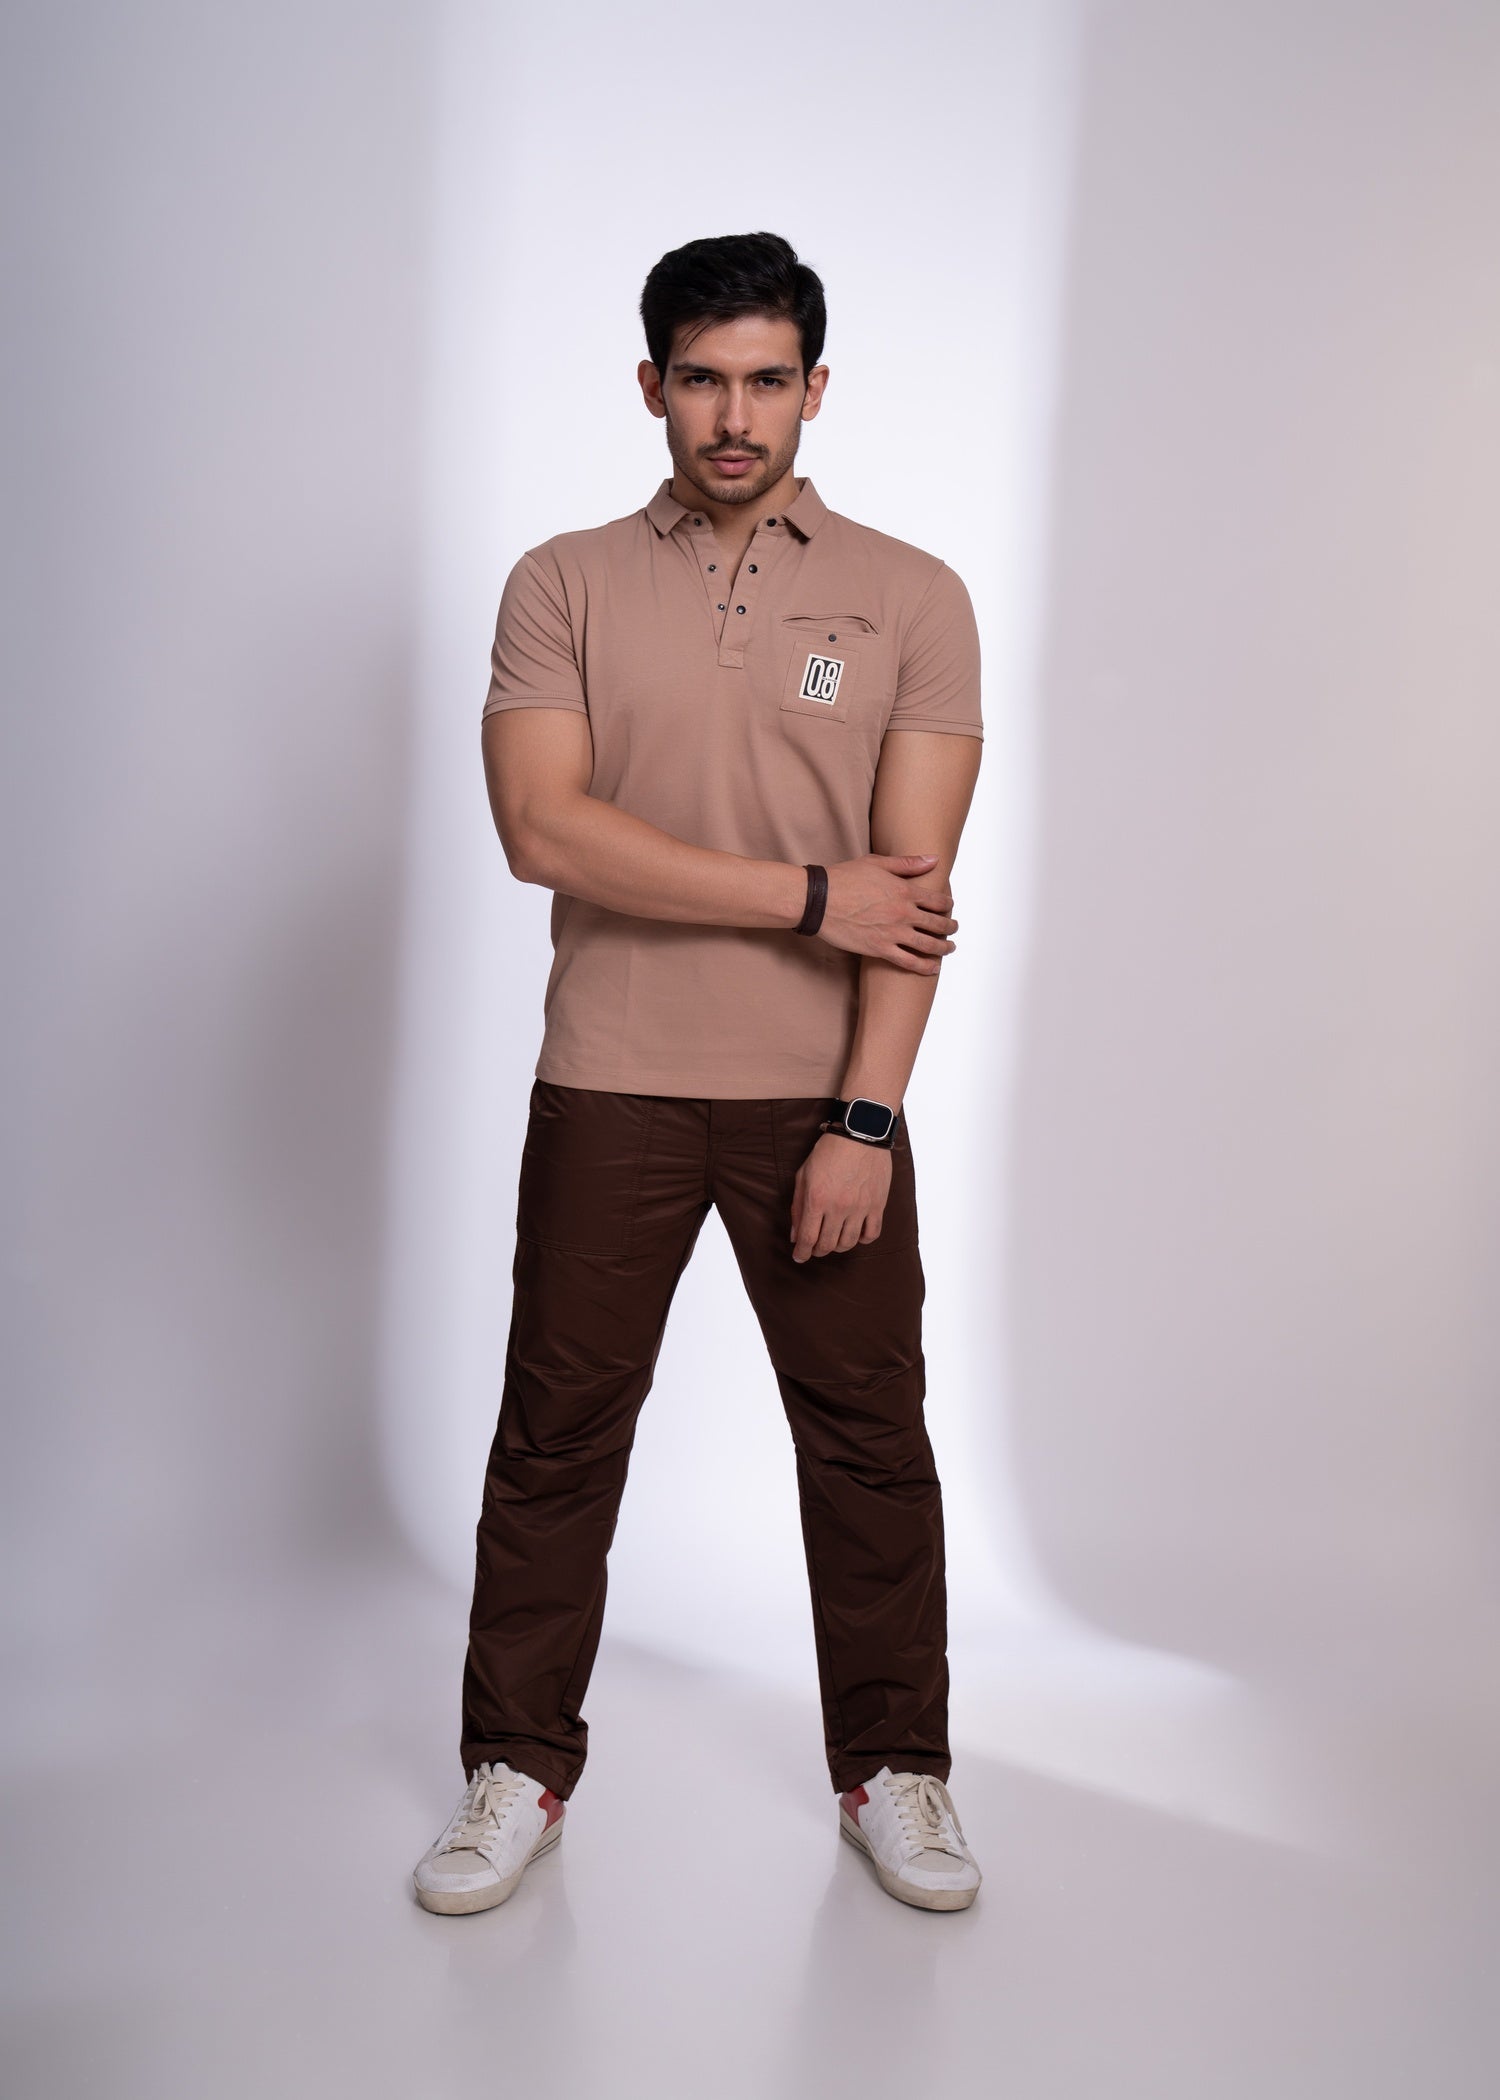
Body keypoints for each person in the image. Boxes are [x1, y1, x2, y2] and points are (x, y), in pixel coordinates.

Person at [412, 231, 985, 1918]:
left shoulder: (913, 597)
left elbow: (914, 900)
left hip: (823, 1097)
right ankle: (515, 1771)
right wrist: (808, 895)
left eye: (767, 381)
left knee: (869, 1439)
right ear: (653, 385)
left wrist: (866, 1116)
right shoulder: (564, 582)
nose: (735, 417)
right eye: (703, 380)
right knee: (558, 1437)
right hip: (613, 1080)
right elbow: (543, 832)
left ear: (817, 388)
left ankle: (898, 1772)